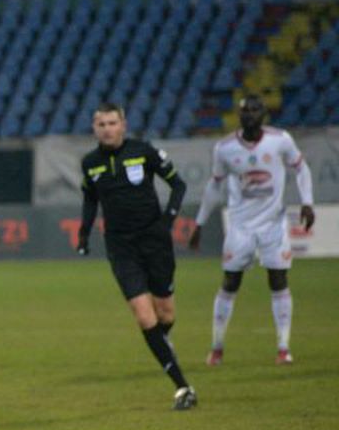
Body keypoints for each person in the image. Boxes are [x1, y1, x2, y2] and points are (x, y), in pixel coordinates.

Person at [77, 103, 196, 410]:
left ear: (123, 125)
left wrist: (168, 219)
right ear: (94, 128)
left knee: (165, 315)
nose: (106, 128)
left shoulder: (143, 152)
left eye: (111, 122)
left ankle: (161, 347)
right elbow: (90, 200)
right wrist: (83, 234)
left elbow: (178, 184)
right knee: (145, 316)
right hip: (120, 247)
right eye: (101, 123)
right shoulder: (90, 163)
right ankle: (183, 387)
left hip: (154, 242)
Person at [189, 94, 315, 365]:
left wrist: (307, 202)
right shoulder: (224, 148)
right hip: (240, 226)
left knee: (278, 280)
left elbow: (301, 167)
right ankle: (217, 347)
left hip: (274, 223)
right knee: (230, 282)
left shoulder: (280, 140)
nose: (249, 115)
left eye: (254, 110)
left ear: (263, 114)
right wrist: (199, 222)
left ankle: (283, 348)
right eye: (244, 110)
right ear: (238, 114)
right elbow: (215, 185)